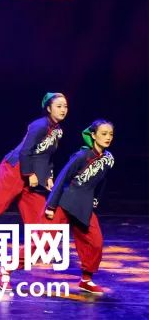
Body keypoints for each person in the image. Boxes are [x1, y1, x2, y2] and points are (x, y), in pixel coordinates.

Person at [0, 93, 68, 240]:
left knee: (37, 210)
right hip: (15, 168)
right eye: (58, 106)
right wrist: (29, 174)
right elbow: (25, 151)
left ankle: (37, 246)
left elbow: (47, 155)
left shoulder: (58, 130)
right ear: (48, 108)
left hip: (32, 172)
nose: (63, 110)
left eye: (65, 106)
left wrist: (48, 176)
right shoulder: (40, 125)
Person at [44, 119, 115, 295]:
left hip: (84, 205)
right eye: (103, 134)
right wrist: (51, 205)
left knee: (95, 243)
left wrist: (96, 200)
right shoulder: (82, 156)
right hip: (65, 203)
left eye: (110, 134)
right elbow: (62, 179)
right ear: (93, 135)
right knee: (43, 243)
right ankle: (7, 269)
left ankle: (86, 280)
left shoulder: (108, 159)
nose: (108, 137)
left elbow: (102, 181)